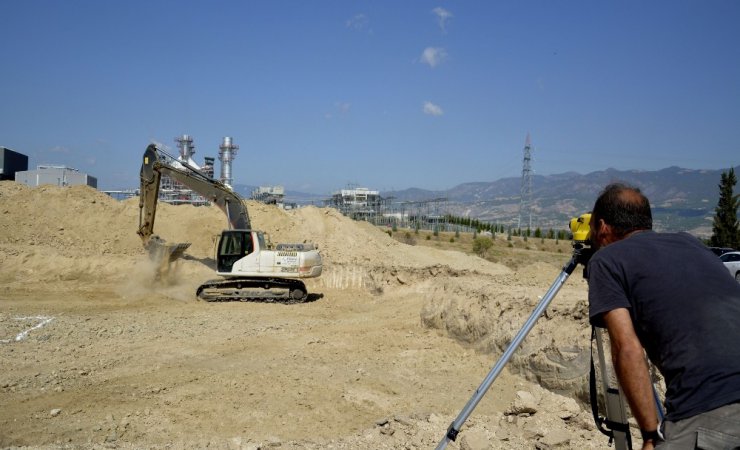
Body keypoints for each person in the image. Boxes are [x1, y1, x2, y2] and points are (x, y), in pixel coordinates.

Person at [586, 183, 740, 449]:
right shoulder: (691, 243)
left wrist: (649, 434)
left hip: (709, 408)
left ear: (602, 227)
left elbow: (627, 348)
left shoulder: (607, 260)